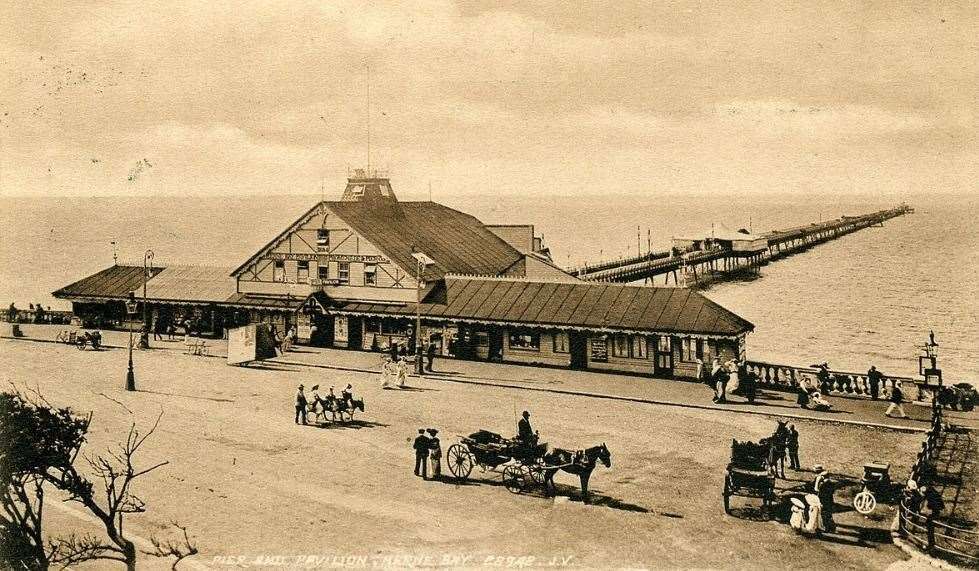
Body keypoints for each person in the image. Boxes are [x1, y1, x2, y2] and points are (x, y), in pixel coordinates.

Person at [813, 467, 835, 533]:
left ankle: (827, 528)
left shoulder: (823, 484)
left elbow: (817, 490)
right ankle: (832, 527)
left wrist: (817, 482)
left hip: (823, 501)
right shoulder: (831, 483)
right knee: (829, 515)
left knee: (824, 515)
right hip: (830, 501)